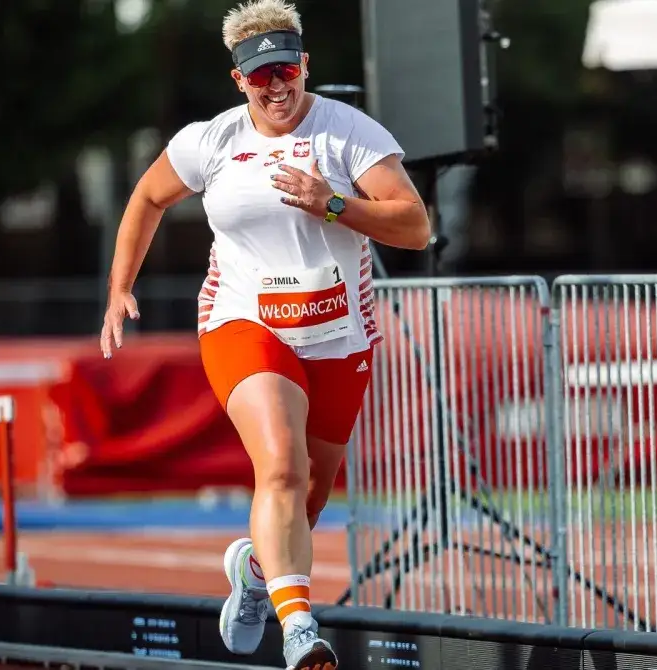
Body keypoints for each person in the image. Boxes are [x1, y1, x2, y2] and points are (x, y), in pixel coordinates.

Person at [98, 0, 429, 667]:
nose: (276, 87)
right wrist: (118, 288)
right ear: (238, 81)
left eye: (286, 70)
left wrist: (332, 202)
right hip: (243, 321)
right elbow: (147, 197)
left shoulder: (350, 134)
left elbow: (415, 227)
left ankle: (257, 576)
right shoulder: (211, 140)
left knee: (308, 492)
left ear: (305, 65)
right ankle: (300, 627)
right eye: (260, 77)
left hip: (338, 333)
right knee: (280, 463)